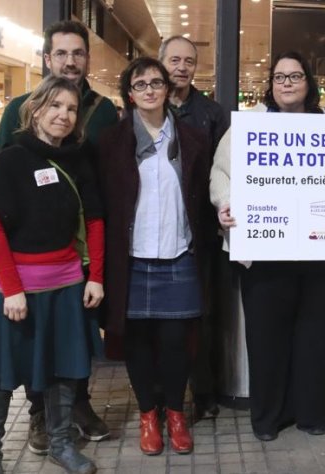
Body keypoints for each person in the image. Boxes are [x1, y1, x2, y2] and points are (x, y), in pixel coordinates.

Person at [0, 20, 119, 453]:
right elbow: (1, 175)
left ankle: (76, 406)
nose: (70, 61)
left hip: (79, 249)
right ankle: (39, 415)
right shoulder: (20, 107)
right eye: (61, 53)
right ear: (47, 59)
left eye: (77, 53)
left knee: (75, 335)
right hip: (29, 253)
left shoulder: (103, 110)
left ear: (87, 59)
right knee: (36, 338)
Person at [0, 76, 104, 474]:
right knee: (0, 372)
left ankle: (61, 444)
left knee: (64, 370)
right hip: (15, 290)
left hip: (66, 287)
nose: (64, 114)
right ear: (36, 109)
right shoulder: (11, 158)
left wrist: (96, 276)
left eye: (72, 108)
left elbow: (95, 221)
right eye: (55, 105)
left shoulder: (79, 158)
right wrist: (12, 289)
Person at [210, 51, 325, 441]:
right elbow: (220, 174)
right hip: (266, 253)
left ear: (309, 82)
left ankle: (313, 413)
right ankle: (269, 417)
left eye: (295, 76)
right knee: (267, 338)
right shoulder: (247, 127)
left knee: (318, 335)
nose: (287, 83)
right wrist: (225, 205)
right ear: (270, 85)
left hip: (322, 253)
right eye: (280, 77)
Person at [95, 57, 215, 455]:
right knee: (138, 343)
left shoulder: (193, 139)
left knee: (177, 342)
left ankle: (175, 414)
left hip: (180, 253)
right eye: (140, 84)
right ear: (130, 94)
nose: (149, 90)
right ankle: (148, 414)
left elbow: (204, 198)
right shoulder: (111, 142)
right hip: (131, 258)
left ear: (167, 89)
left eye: (156, 82)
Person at [159, 35, 236, 418]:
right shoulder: (148, 109)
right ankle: (163, 395)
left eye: (189, 61)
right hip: (158, 230)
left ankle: (204, 393)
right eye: (175, 60)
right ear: (161, 62)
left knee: (203, 315)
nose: (182, 67)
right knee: (161, 317)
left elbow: (226, 169)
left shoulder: (212, 113)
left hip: (203, 232)